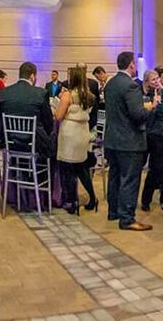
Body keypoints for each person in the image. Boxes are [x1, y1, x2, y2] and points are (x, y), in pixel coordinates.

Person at [103, 51, 158, 231]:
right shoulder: (131, 86)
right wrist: (151, 107)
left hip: (112, 139)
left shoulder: (110, 83)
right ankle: (127, 218)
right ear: (131, 65)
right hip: (130, 140)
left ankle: (114, 212)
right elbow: (137, 115)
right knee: (130, 179)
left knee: (115, 177)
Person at [55, 67, 98, 214]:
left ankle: (71, 201)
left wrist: (58, 103)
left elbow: (59, 116)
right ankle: (92, 197)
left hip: (70, 133)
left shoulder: (67, 95)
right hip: (83, 133)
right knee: (81, 167)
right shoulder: (90, 96)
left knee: (67, 168)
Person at [0, 62, 54, 157]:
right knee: (53, 140)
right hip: (34, 144)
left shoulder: (5, 92)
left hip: (10, 142)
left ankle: (14, 168)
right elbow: (48, 123)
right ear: (32, 76)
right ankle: (43, 170)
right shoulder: (41, 93)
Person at [140, 69, 163, 212]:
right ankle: (146, 199)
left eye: (158, 79)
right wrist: (153, 106)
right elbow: (145, 119)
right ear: (147, 82)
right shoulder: (145, 97)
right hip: (153, 136)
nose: (157, 82)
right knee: (155, 168)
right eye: (153, 80)